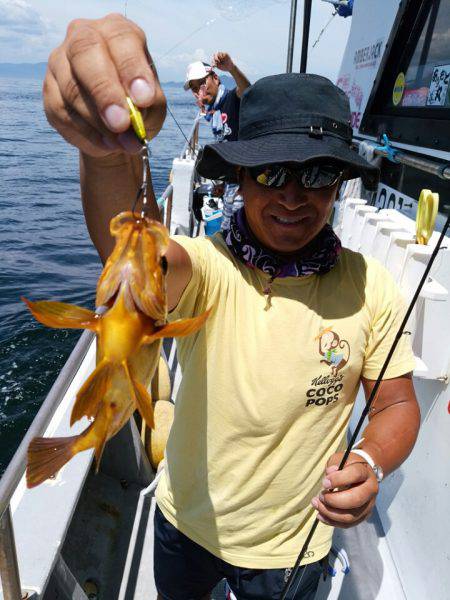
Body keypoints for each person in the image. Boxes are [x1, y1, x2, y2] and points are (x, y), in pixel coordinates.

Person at [43, 14, 420, 600]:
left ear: (341, 182)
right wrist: (106, 157)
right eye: (271, 171)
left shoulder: (373, 287)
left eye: (317, 173)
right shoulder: (210, 265)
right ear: (239, 177)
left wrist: (370, 461)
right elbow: (143, 262)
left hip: (295, 543)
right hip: (185, 523)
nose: (293, 196)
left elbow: (396, 403)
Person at [184, 53, 250, 229]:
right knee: (230, 235)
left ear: (216, 78)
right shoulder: (214, 112)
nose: (200, 90)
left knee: (239, 234)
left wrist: (232, 68)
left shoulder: (231, 99)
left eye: (202, 83)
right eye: (194, 88)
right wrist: (222, 181)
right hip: (231, 184)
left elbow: (247, 91)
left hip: (245, 187)